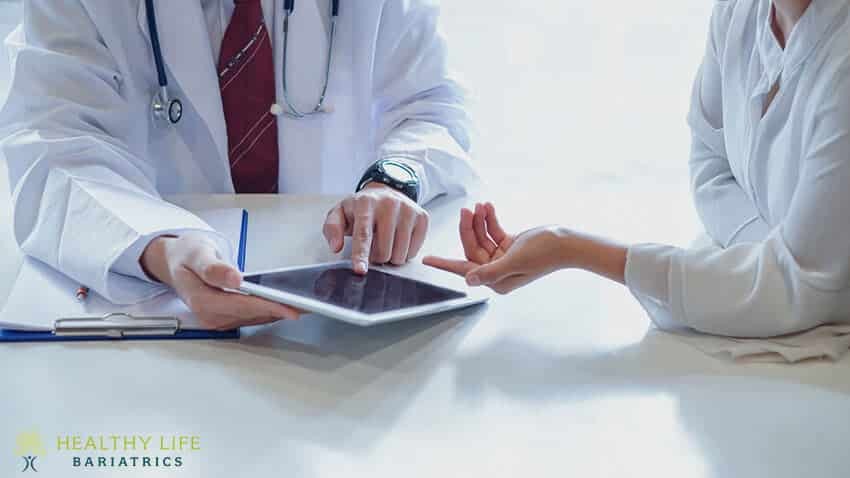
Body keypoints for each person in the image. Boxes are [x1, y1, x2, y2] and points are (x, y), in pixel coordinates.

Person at [0, 0, 476, 329]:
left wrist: (391, 181)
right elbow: (51, 145)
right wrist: (157, 247)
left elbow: (432, 106)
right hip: (163, 310)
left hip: (337, 317)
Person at [426, 0, 850, 338]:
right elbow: (711, 166)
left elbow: (802, 288)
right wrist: (765, 258)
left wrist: (570, 248)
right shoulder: (740, 13)